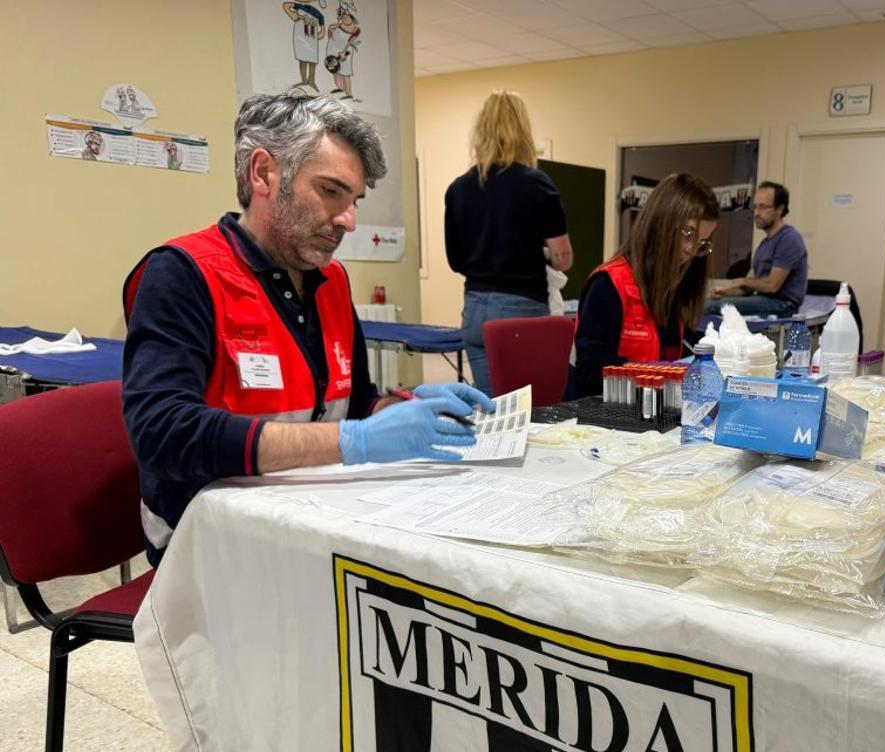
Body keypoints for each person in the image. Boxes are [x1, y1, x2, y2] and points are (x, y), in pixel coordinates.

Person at [123, 92, 493, 572]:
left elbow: (353, 404)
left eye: (354, 200)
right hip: (207, 535)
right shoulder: (183, 273)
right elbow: (163, 435)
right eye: (330, 191)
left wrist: (401, 408)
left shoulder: (331, 281)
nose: (349, 220)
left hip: (310, 512)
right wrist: (356, 440)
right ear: (263, 174)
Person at [444, 90, 572, 396]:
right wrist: (536, 252)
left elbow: (456, 261)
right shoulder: (537, 184)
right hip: (521, 311)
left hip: (474, 309)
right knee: (528, 411)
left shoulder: (458, 189)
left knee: (493, 411)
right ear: (523, 131)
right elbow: (562, 258)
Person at [574, 173, 719, 398]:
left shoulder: (672, 288)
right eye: (688, 234)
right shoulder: (607, 284)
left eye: (701, 243)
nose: (691, 250)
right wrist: (656, 375)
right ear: (661, 223)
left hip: (652, 413)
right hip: (606, 414)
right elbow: (590, 371)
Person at [706, 180, 807, 317]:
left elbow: (772, 285)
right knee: (707, 303)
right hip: (762, 299)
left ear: (780, 209)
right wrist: (723, 293)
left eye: (763, 207)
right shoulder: (765, 244)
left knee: (709, 308)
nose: (757, 213)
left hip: (781, 304)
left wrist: (744, 281)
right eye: (755, 207)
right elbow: (747, 287)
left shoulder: (789, 239)